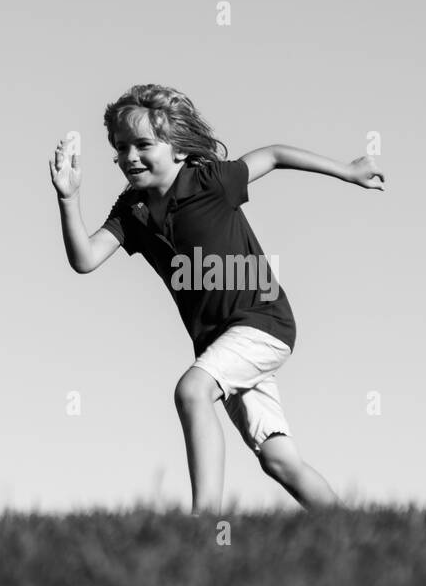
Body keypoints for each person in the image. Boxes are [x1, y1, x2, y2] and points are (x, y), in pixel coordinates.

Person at [49, 84, 385, 515]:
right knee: (278, 460)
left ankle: (204, 522)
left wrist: (346, 170)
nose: (129, 156)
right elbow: (85, 258)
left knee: (192, 390)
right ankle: (349, 530)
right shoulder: (131, 210)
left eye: (143, 144)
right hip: (219, 345)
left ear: (177, 148)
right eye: (120, 148)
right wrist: (68, 198)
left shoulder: (210, 180)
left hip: (263, 323)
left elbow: (275, 154)